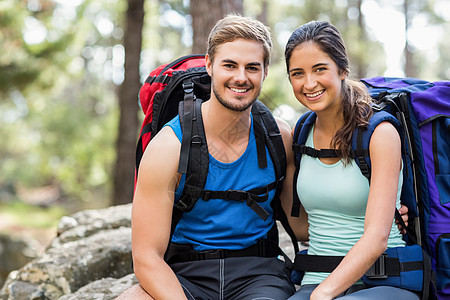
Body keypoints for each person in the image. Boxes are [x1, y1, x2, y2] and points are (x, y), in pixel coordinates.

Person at [116, 14, 297, 300]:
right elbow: (147, 258)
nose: (241, 77)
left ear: (265, 72)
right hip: (186, 274)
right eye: (229, 65)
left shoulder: (279, 137)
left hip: (259, 276)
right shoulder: (169, 146)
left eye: (252, 67)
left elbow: (302, 227)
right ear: (210, 65)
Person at [284, 21, 419, 300]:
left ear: (342, 70)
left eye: (320, 69)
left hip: (382, 280)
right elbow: (300, 227)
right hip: (316, 278)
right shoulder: (301, 133)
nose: (309, 83)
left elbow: (377, 237)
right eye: (298, 73)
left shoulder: (380, 134)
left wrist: (324, 294)